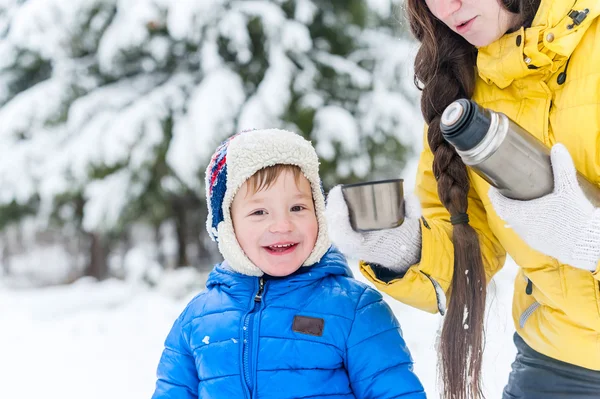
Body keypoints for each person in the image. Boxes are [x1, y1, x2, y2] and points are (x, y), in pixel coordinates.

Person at [324, 1, 600, 398]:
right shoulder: (460, 86)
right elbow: (472, 252)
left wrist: (590, 239)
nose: (448, 7)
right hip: (554, 359)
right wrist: (403, 246)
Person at [151, 128, 426, 399]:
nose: (282, 225)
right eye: (259, 212)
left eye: (297, 208)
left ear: (319, 213)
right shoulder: (197, 319)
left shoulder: (354, 310)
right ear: (227, 227)